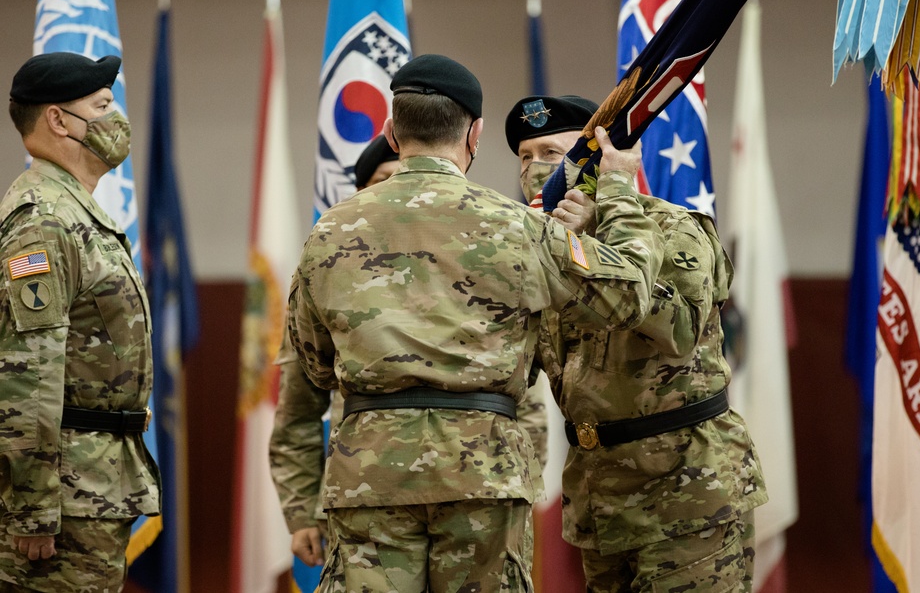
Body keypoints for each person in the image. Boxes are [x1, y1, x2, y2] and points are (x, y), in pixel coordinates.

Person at [285, 53, 665, 592]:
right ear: (476, 135)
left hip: (370, 472)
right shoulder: (515, 224)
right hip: (482, 470)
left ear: (392, 133)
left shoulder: (330, 230)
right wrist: (622, 190)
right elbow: (626, 296)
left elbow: (314, 365)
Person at [506, 94, 768, 593]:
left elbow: (681, 330)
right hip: (599, 497)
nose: (536, 169)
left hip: (686, 489)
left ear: (592, 160)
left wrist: (600, 241)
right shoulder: (540, 253)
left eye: (550, 153)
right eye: (524, 157)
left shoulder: (673, 227)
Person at [269, 134, 551, 571]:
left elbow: (523, 399)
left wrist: (519, 480)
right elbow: (298, 410)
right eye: (387, 180)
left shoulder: (476, 268)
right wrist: (301, 510)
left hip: (479, 476)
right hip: (371, 481)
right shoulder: (332, 275)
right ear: (365, 193)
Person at [0, 52, 160, 592]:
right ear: (59, 120)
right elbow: (26, 372)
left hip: (93, 483)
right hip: (65, 494)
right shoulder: (43, 220)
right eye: (103, 105)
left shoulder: (73, 209)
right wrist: (33, 506)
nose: (117, 120)